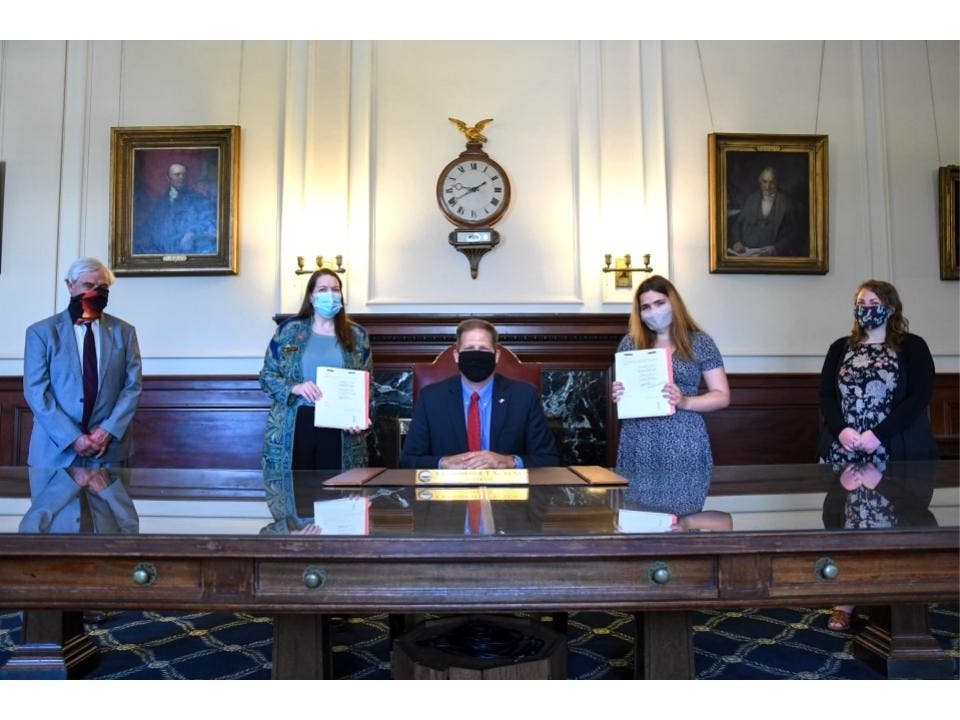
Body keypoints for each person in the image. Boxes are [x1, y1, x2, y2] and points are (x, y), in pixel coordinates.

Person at [816, 279, 938, 631]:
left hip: (894, 452)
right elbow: (826, 395)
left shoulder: (912, 347)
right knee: (846, 529)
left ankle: (897, 600)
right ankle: (846, 600)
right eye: (860, 301)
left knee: (898, 527)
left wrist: (876, 436)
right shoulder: (841, 347)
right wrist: (842, 431)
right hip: (846, 453)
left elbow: (918, 398)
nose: (866, 306)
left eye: (873, 300)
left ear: (890, 307)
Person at [612, 276, 730, 506]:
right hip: (639, 440)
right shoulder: (630, 343)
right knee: (638, 517)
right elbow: (626, 392)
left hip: (683, 440)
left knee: (682, 515)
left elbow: (722, 395)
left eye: (659, 303)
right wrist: (619, 393)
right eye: (645, 307)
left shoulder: (700, 342)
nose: (653, 311)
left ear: (673, 302)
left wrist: (685, 401)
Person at [23, 257, 143, 468]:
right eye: (88, 285)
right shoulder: (41, 333)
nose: (96, 292)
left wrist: (107, 430)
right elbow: (36, 391)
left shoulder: (124, 332)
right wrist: (73, 438)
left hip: (108, 451)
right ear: (70, 286)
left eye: (103, 287)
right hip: (54, 452)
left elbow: (132, 387)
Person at [399, 318, 559, 469]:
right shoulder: (431, 398)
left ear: (496, 356)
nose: (476, 356)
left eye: (483, 349)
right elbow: (408, 460)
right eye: (469, 349)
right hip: (448, 494)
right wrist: (443, 463)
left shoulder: (524, 396)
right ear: (456, 356)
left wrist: (510, 461)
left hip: (506, 493)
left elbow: (549, 459)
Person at [259, 269, 372, 472]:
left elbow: (367, 385)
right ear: (311, 296)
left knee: (338, 496)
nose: (330, 295)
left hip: (341, 427)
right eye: (323, 289)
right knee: (296, 494)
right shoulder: (288, 331)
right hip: (295, 423)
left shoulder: (357, 335)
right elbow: (267, 377)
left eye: (335, 289)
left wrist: (360, 416)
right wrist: (296, 387)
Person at [134, 162, 217, 254]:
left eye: (183, 175)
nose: (181, 178)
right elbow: (149, 226)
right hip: (163, 252)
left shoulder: (198, 199)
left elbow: (210, 221)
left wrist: (192, 233)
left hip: (191, 251)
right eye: (177, 175)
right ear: (168, 178)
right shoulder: (160, 203)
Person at [728, 166, 804, 257]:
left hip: (772, 254)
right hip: (746, 251)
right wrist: (737, 242)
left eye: (772, 182)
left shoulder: (787, 202)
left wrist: (775, 249)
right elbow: (737, 224)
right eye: (764, 182)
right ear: (760, 182)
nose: (767, 187)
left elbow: (795, 232)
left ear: (777, 183)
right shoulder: (752, 198)